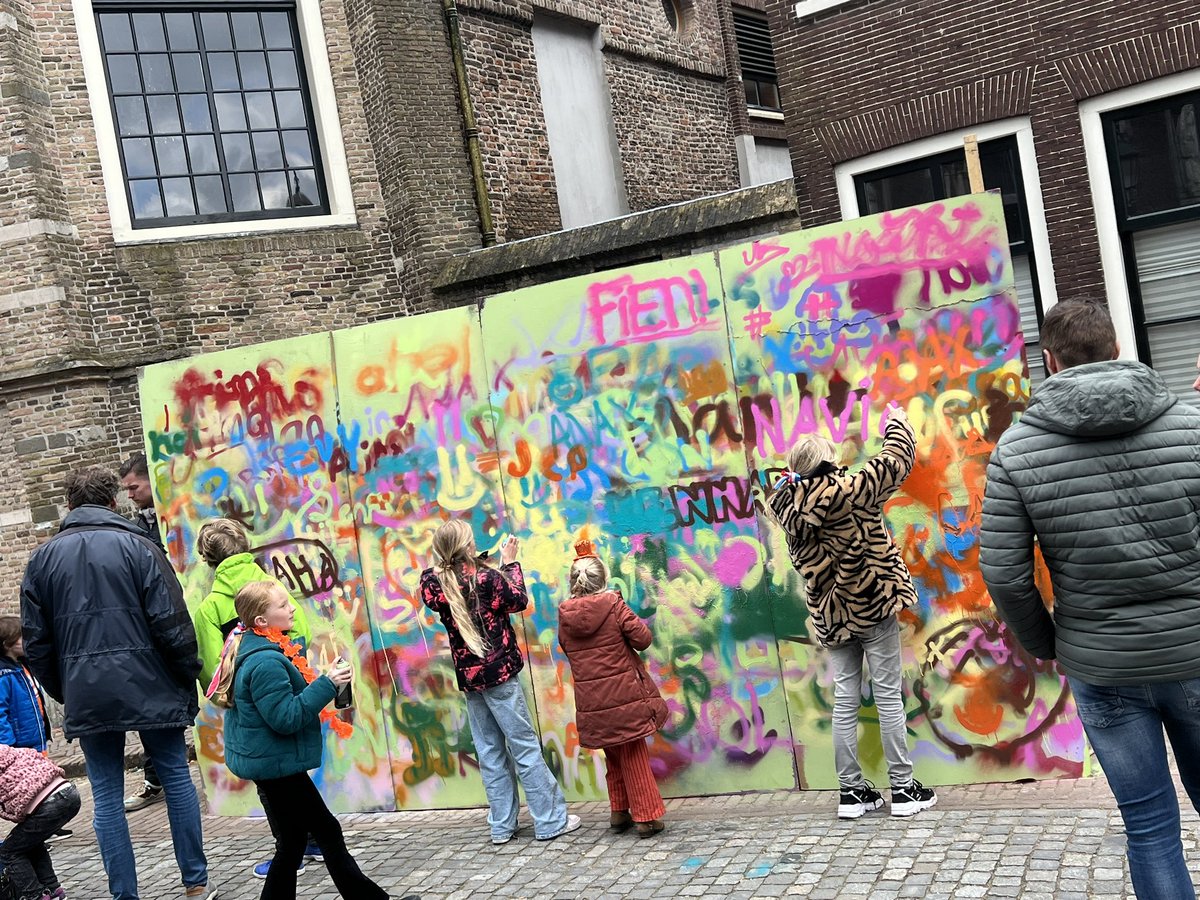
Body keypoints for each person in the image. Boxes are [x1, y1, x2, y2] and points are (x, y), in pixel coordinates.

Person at [980, 298, 1200, 900]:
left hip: (1101, 665)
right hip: (1194, 652)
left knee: (1151, 827)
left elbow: (1003, 572)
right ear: (1117, 349)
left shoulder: (1017, 451)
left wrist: (1048, 643)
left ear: (1048, 362)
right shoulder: (1191, 425)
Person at [20, 466, 216, 900]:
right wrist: (186, 673)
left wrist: (67, 690)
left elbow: (36, 644)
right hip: (153, 683)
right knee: (177, 778)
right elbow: (172, 622)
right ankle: (195, 884)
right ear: (113, 502)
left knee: (106, 795)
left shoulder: (42, 560)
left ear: (70, 505)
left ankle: (124, 894)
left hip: (87, 690)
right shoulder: (140, 547)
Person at [767, 406, 937, 820]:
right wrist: (897, 420)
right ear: (827, 462)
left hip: (831, 614)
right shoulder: (846, 490)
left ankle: (852, 793)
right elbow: (894, 462)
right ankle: (903, 788)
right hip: (871, 605)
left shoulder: (787, 508)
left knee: (845, 696)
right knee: (887, 694)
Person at [212, 581, 417, 900]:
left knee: (293, 842)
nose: (292, 607)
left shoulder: (259, 646)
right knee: (326, 832)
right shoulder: (265, 661)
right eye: (282, 605)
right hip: (275, 766)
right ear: (262, 621)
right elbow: (286, 717)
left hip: (271, 762)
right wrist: (327, 684)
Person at [419, 520, 580, 844]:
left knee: (489, 751)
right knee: (523, 746)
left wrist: (457, 559)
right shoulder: (487, 578)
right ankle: (549, 821)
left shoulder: (435, 583)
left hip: (471, 680)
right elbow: (518, 599)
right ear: (466, 546)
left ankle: (502, 827)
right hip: (500, 677)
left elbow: (431, 579)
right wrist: (509, 562)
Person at [192, 519, 317, 879]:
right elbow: (302, 632)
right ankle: (313, 840)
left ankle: (291, 849)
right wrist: (293, 675)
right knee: (293, 769)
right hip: (286, 686)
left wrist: (228, 701)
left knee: (268, 780)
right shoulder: (272, 588)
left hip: (247, 709)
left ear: (208, 559)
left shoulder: (212, 607)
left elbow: (212, 668)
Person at [557, 541, 668, 838]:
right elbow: (642, 639)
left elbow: (567, 648)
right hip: (624, 696)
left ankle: (619, 812)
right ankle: (646, 817)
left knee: (614, 756)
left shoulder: (564, 615)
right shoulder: (613, 605)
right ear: (602, 579)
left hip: (593, 702)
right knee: (633, 755)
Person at [117, 453, 166, 813]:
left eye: (134, 487)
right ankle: (155, 778)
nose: (129, 495)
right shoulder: (139, 526)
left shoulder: (170, 519)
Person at [0, 617, 70, 843]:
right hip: (20, 745)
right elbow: (1, 712)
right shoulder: (4, 675)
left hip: (36, 737)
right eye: (21, 637)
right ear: (7, 644)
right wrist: (8, 745)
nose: (26, 641)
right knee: (28, 788)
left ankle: (49, 824)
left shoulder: (22, 666)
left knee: (44, 784)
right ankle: (35, 832)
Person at [0, 744, 81, 900]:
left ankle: (35, 895)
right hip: (69, 793)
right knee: (30, 843)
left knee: (9, 852)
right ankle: (54, 889)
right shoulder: (10, 752)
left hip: (48, 805)